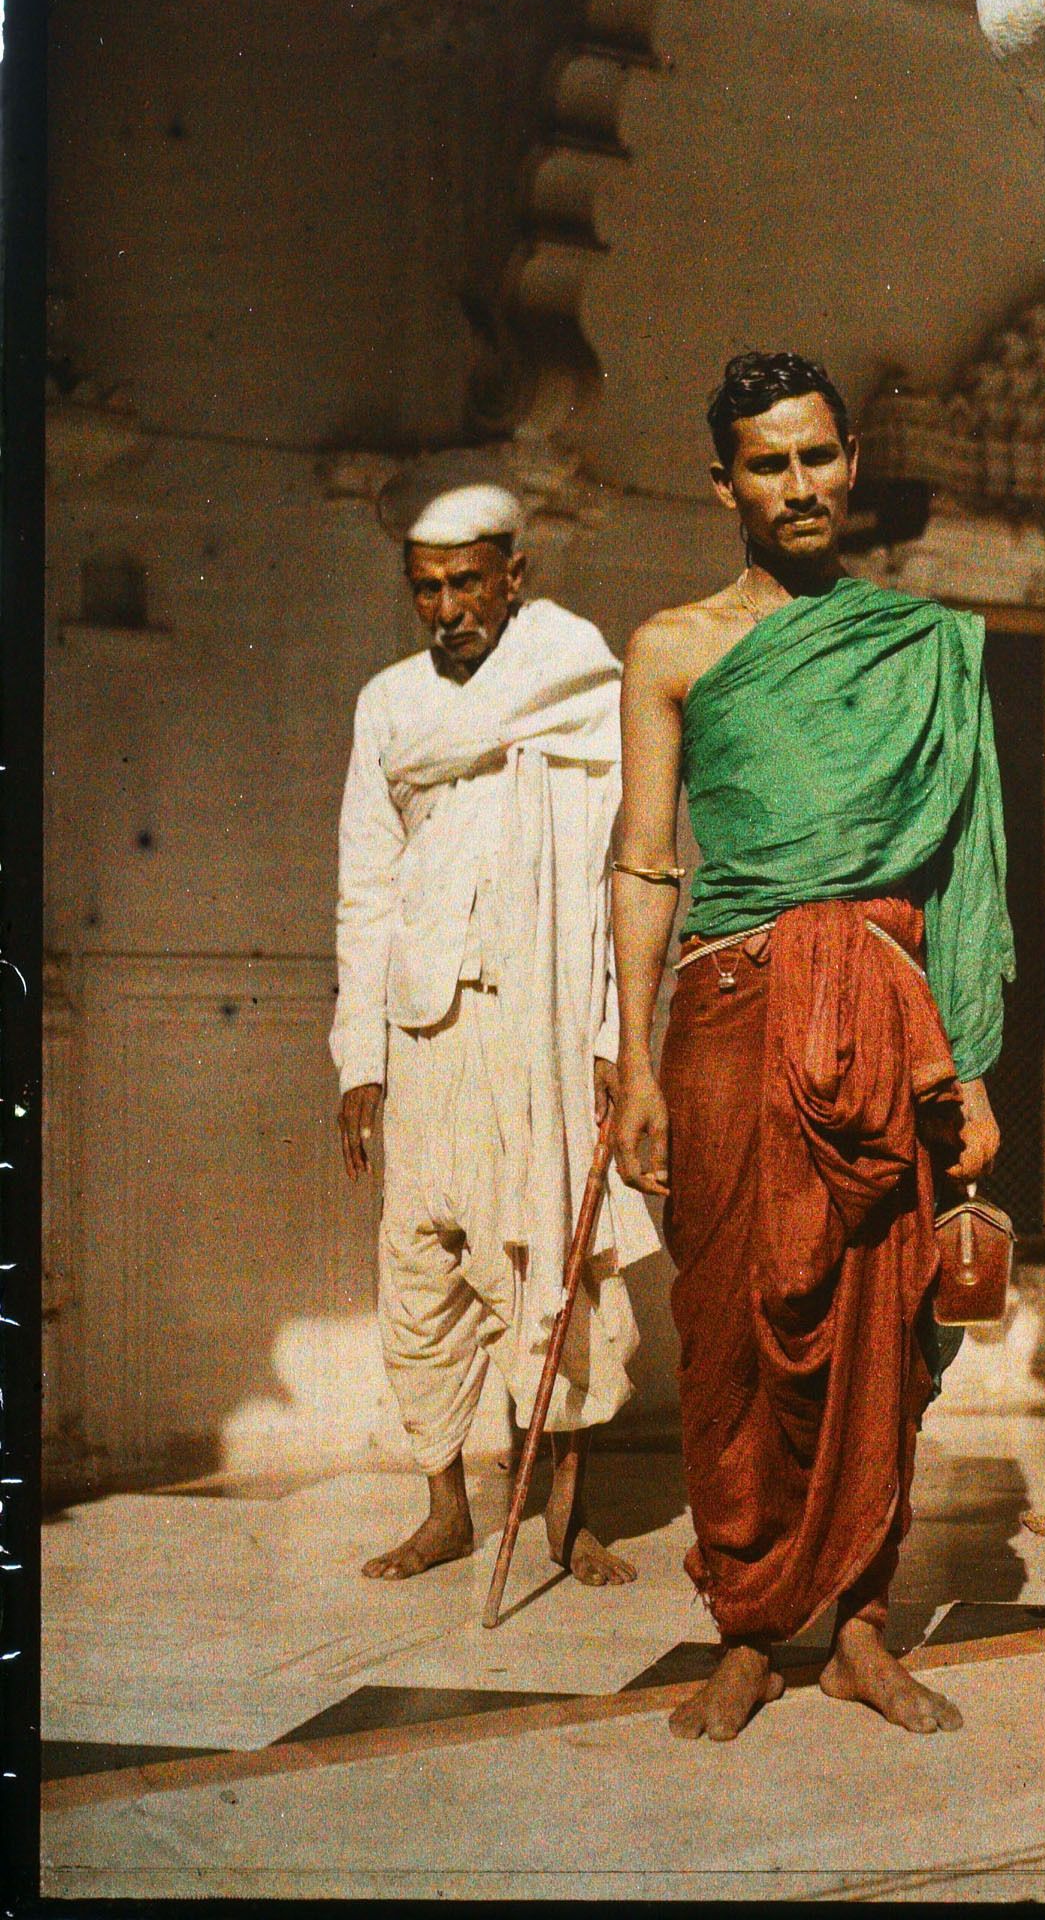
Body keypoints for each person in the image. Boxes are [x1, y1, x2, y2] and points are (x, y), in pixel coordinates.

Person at [612, 353, 1016, 1739]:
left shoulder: (922, 650)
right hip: (725, 1019)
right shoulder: (671, 647)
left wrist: (965, 1064)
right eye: (767, 464)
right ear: (721, 481)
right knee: (728, 1325)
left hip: (886, 1019)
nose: (799, 486)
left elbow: (960, 865)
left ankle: (855, 1627)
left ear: (851, 461)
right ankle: (745, 1626)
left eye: (817, 456)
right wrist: (630, 1066)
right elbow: (645, 866)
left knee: (881, 1326)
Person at [331, 481, 659, 1585]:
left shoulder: (579, 686)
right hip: (426, 1027)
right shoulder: (387, 704)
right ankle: (448, 1508)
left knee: (552, 1256)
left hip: (547, 1019)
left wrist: (617, 1032)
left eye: (466, 582)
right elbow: (363, 891)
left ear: (514, 576)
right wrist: (358, 1057)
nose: (446, 607)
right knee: (417, 1262)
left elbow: (631, 872)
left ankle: (568, 1509)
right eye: (425, 589)